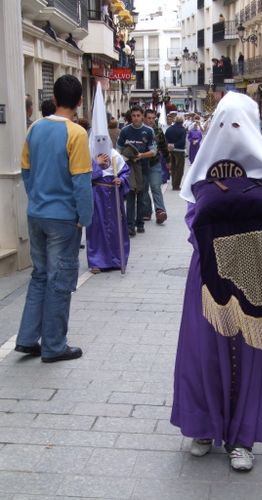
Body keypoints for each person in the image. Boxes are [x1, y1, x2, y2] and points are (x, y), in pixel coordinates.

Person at [171, 92, 262, 472]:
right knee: (202, 350)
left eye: (239, 124)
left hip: (259, 273)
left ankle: (244, 438)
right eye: (224, 124)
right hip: (208, 276)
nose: (232, 134)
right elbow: (193, 224)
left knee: (252, 355)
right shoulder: (202, 172)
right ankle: (203, 427)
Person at [15, 75, 93, 362]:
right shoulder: (76, 134)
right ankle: (54, 345)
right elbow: (82, 181)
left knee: (39, 276)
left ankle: (26, 338)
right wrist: (84, 218)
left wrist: (36, 196)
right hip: (62, 218)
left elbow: (25, 169)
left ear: (55, 99)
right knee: (60, 280)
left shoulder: (35, 127)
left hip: (37, 213)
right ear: (79, 102)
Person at [86, 82, 131, 274]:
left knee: (114, 226)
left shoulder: (114, 155)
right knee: (96, 228)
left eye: (104, 140)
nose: (101, 143)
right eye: (98, 140)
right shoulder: (87, 155)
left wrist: (121, 181)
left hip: (112, 195)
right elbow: (84, 175)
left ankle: (115, 258)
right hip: (96, 195)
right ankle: (97, 261)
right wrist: (96, 164)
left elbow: (125, 171)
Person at [117, 105, 156, 236]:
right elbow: (118, 148)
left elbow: (154, 151)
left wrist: (142, 155)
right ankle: (130, 225)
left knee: (141, 196)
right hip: (128, 169)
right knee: (130, 195)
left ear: (142, 116)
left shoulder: (149, 131)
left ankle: (140, 223)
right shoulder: (125, 131)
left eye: (138, 116)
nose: (136, 118)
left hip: (143, 168)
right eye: (134, 116)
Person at [143, 109, 171, 224]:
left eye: (152, 118)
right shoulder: (140, 130)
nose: (151, 120)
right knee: (144, 189)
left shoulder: (158, 130)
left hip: (155, 163)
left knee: (155, 187)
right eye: (148, 118)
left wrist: (168, 160)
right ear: (144, 118)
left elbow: (164, 145)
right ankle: (147, 210)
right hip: (142, 164)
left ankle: (160, 211)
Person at [165, 115, 187, 190]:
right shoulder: (183, 130)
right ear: (182, 122)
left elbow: (165, 138)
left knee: (173, 168)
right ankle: (176, 185)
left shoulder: (169, 129)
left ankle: (173, 182)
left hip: (170, 151)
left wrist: (169, 145)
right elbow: (182, 141)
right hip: (179, 151)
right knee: (179, 168)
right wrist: (175, 145)